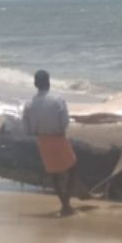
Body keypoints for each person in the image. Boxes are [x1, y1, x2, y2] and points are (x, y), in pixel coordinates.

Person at [22, 70, 82, 216]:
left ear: (35, 84)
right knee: (72, 169)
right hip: (58, 137)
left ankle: (64, 204)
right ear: (49, 82)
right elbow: (64, 123)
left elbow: (27, 129)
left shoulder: (29, 105)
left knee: (54, 174)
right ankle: (66, 204)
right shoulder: (58, 100)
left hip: (42, 140)